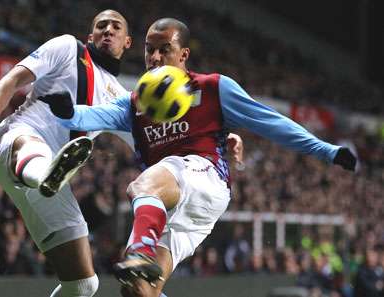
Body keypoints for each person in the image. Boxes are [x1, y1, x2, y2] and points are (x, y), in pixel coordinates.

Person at [41, 18, 357, 297]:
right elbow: (86, 117)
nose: (154, 57)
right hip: (177, 209)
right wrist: (65, 109)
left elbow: (272, 123)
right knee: (138, 289)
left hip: (205, 180)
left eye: (164, 49)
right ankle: (141, 255)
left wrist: (326, 150)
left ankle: (140, 249)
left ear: (184, 54)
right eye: (149, 49)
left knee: (142, 187)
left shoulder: (213, 88)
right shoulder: (135, 103)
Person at [0, 10, 134, 297]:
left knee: (82, 285)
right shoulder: (67, 47)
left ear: (126, 42)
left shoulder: (121, 100)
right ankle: (46, 174)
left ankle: (48, 176)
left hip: (50, 186)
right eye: (101, 26)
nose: (108, 31)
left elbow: (151, 143)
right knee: (36, 150)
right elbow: (10, 80)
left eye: (116, 27)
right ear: (90, 36)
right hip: (15, 140)